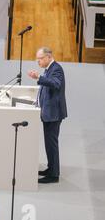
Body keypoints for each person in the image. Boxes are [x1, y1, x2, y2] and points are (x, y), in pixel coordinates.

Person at [28, 47, 67, 184]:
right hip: (48, 113)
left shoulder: (56, 69)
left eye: (40, 58)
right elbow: (46, 88)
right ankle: (51, 169)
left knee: (52, 144)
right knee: (49, 144)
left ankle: (54, 175)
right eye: (37, 58)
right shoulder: (49, 69)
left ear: (49, 57)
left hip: (54, 114)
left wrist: (39, 77)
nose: (38, 61)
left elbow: (55, 84)